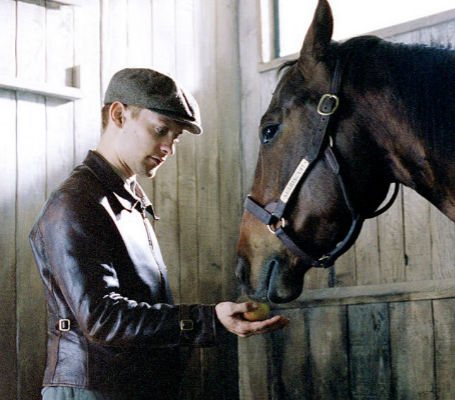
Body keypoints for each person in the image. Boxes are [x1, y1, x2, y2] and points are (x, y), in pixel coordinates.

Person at [29, 68, 288, 400]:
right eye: (161, 130)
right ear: (119, 115)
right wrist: (208, 318)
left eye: (176, 137)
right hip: (93, 390)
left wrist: (214, 319)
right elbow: (102, 319)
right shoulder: (76, 204)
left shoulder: (124, 199)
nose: (169, 147)